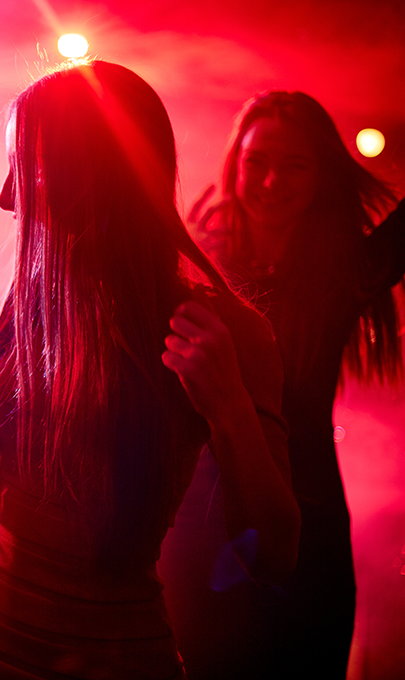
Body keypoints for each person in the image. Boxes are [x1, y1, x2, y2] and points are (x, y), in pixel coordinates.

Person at [0, 61, 301, 679]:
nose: (6, 197)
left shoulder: (224, 329)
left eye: (31, 164)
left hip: (114, 657)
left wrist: (229, 408)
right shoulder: (45, 288)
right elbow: (2, 416)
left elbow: (276, 555)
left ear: (97, 171)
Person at [159, 90, 405, 679]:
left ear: (323, 175)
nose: (272, 181)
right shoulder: (189, 269)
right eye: (258, 162)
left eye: (296, 164)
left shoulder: (346, 272)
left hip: (310, 523)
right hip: (197, 524)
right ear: (233, 166)